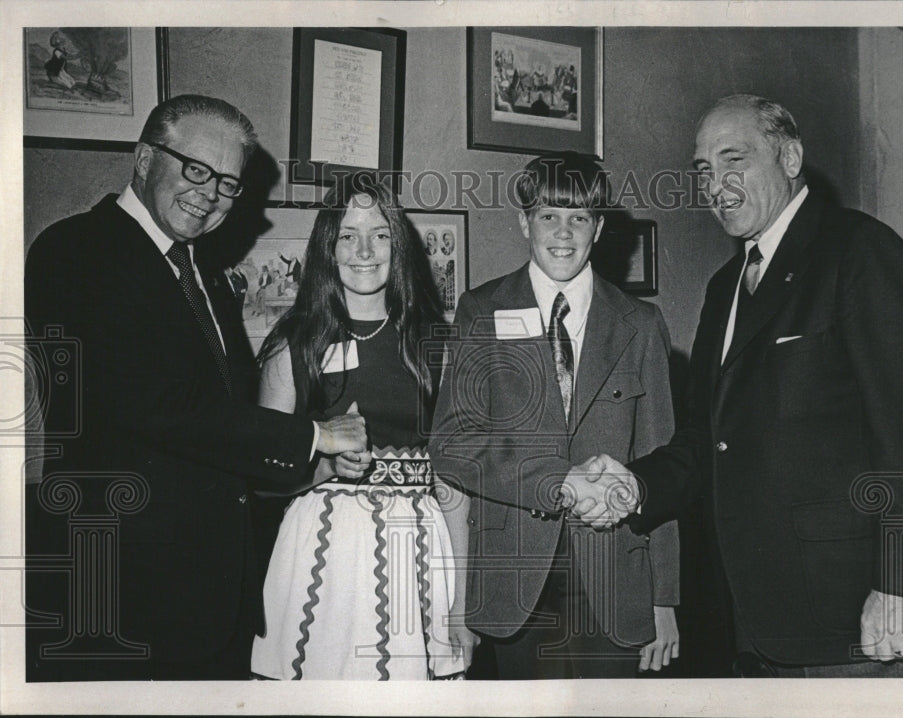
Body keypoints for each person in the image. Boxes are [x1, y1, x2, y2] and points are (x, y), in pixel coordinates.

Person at [571, 94, 903, 677]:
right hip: (748, 622)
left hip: (857, 623)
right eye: (704, 170)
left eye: (733, 160)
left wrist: (902, 582)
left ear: (790, 157)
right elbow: (707, 439)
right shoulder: (724, 287)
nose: (716, 184)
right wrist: (636, 487)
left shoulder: (860, 251)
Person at [24, 94, 367, 681]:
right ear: (143, 159)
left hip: (209, 599)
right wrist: (310, 435)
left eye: (228, 184)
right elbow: (146, 402)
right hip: (118, 594)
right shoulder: (74, 250)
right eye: (195, 170)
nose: (209, 195)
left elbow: (221, 413)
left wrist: (303, 470)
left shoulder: (202, 268)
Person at [429, 152, 680, 679]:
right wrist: (557, 482)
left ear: (600, 227)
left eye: (579, 218)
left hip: (618, 582)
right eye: (548, 215)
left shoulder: (641, 323)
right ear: (524, 222)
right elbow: (453, 445)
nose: (563, 233)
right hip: (513, 584)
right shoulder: (482, 309)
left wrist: (666, 599)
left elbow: (663, 459)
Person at [249, 175, 466, 680]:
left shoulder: (435, 343)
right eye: (348, 235)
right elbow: (259, 474)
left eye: (380, 234)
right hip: (324, 558)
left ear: (400, 244)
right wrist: (324, 466)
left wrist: (461, 604)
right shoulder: (294, 344)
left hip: (417, 549)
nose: (364, 250)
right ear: (328, 246)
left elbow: (456, 481)